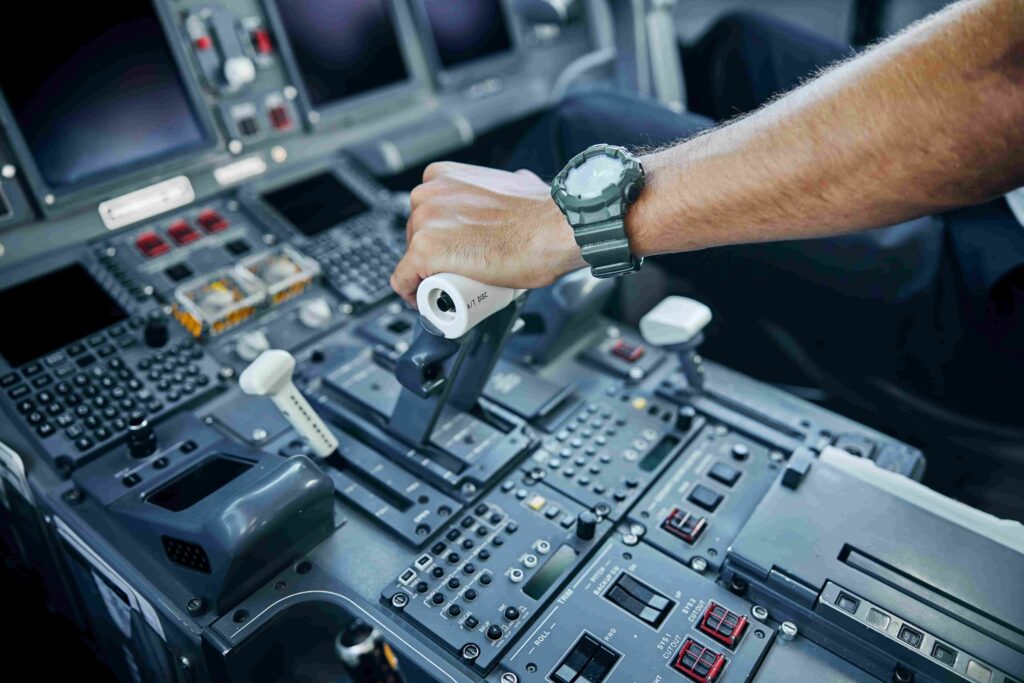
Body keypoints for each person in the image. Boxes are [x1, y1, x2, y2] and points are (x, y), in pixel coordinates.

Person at [391, 0, 1024, 426]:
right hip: (1007, 204)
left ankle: (436, 315)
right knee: (739, 44)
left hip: (997, 301)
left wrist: (563, 223)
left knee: (577, 128)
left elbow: (1003, 83)